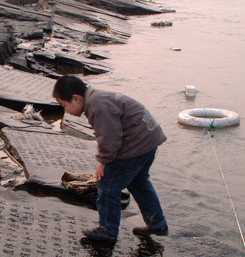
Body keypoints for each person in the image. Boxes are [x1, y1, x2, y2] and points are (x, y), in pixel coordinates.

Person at [52, 75, 169, 243]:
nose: (66, 111)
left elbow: (109, 139)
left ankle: (108, 230)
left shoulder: (97, 106)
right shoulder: (97, 98)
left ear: (76, 99)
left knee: (107, 184)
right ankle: (157, 223)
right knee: (139, 182)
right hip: (148, 141)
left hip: (135, 145)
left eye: (64, 105)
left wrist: (103, 162)